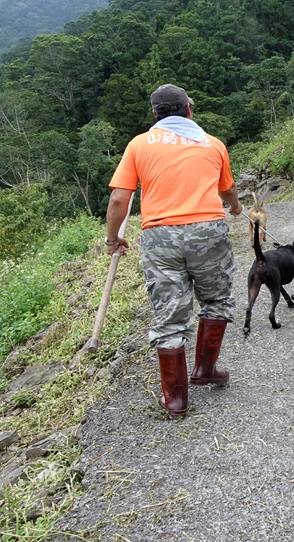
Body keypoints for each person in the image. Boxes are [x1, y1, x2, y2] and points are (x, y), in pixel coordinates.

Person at [105, 83, 244, 418]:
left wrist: (113, 240)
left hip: (159, 235)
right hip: (208, 231)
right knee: (217, 300)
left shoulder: (139, 145)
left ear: (155, 113)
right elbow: (228, 190)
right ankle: (205, 371)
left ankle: (176, 401)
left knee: (169, 315)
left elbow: (119, 199)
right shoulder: (212, 144)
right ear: (189, 110)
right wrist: (237, 208)